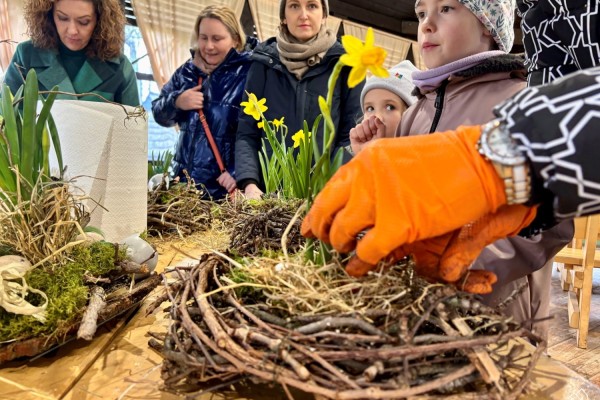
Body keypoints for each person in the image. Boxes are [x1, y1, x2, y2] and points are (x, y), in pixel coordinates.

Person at [300, 66, 600, 298]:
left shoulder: (512, 90)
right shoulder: (421, 107)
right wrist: (531, 195)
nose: (428, 25)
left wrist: (505, 155)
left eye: (446, 7)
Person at [394, 0, 573, 339]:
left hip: (497, 324)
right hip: (420, 317)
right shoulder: (414, 113)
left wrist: (463, 266)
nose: (426, 24)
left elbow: (550, 221)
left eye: (446, 8)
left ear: (489, 26)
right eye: (421, 13)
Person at [235, 0, 364, 200]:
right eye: (294, 6)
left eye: (312, 6)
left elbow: (352, 135)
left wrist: (333, 187)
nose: (303, 14)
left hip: (324, 196)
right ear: (284, 16)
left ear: (324, 14)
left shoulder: (346, 64)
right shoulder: (262, 63)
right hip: (268, 198)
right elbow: (247, 132)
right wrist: (249, 184)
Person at [152, 5, 255, 200]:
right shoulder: (186, 72)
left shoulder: (249, 74)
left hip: (223, 194)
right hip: (182, 190)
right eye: (203, 37)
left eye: (217, 39)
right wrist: (177, 102)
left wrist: (237, 173)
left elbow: (260, 133)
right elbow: (158, 113)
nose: (208, 46)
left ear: (235, 38)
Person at [3, 0, 139, 106]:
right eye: (62, 18)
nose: (72, 31)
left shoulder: (120, 67)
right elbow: (4, 121)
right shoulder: (26, 55)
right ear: (49, 14)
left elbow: (132, 133)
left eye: (84, 22)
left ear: (100, 20)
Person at [349, 60, 418, 155]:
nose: (377, 117)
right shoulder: (350, 154)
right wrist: (363, 154)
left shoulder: (418, 159)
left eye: (390, 107)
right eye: (370, 108)